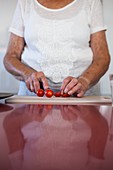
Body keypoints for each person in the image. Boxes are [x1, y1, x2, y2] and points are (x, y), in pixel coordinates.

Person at [3, 0, 110, 97]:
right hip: (33, 97)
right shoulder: (25, 3)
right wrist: (27, 74)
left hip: (82, 96)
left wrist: (84, 81)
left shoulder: (91, 2)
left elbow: (102, 57)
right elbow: (10, 57)